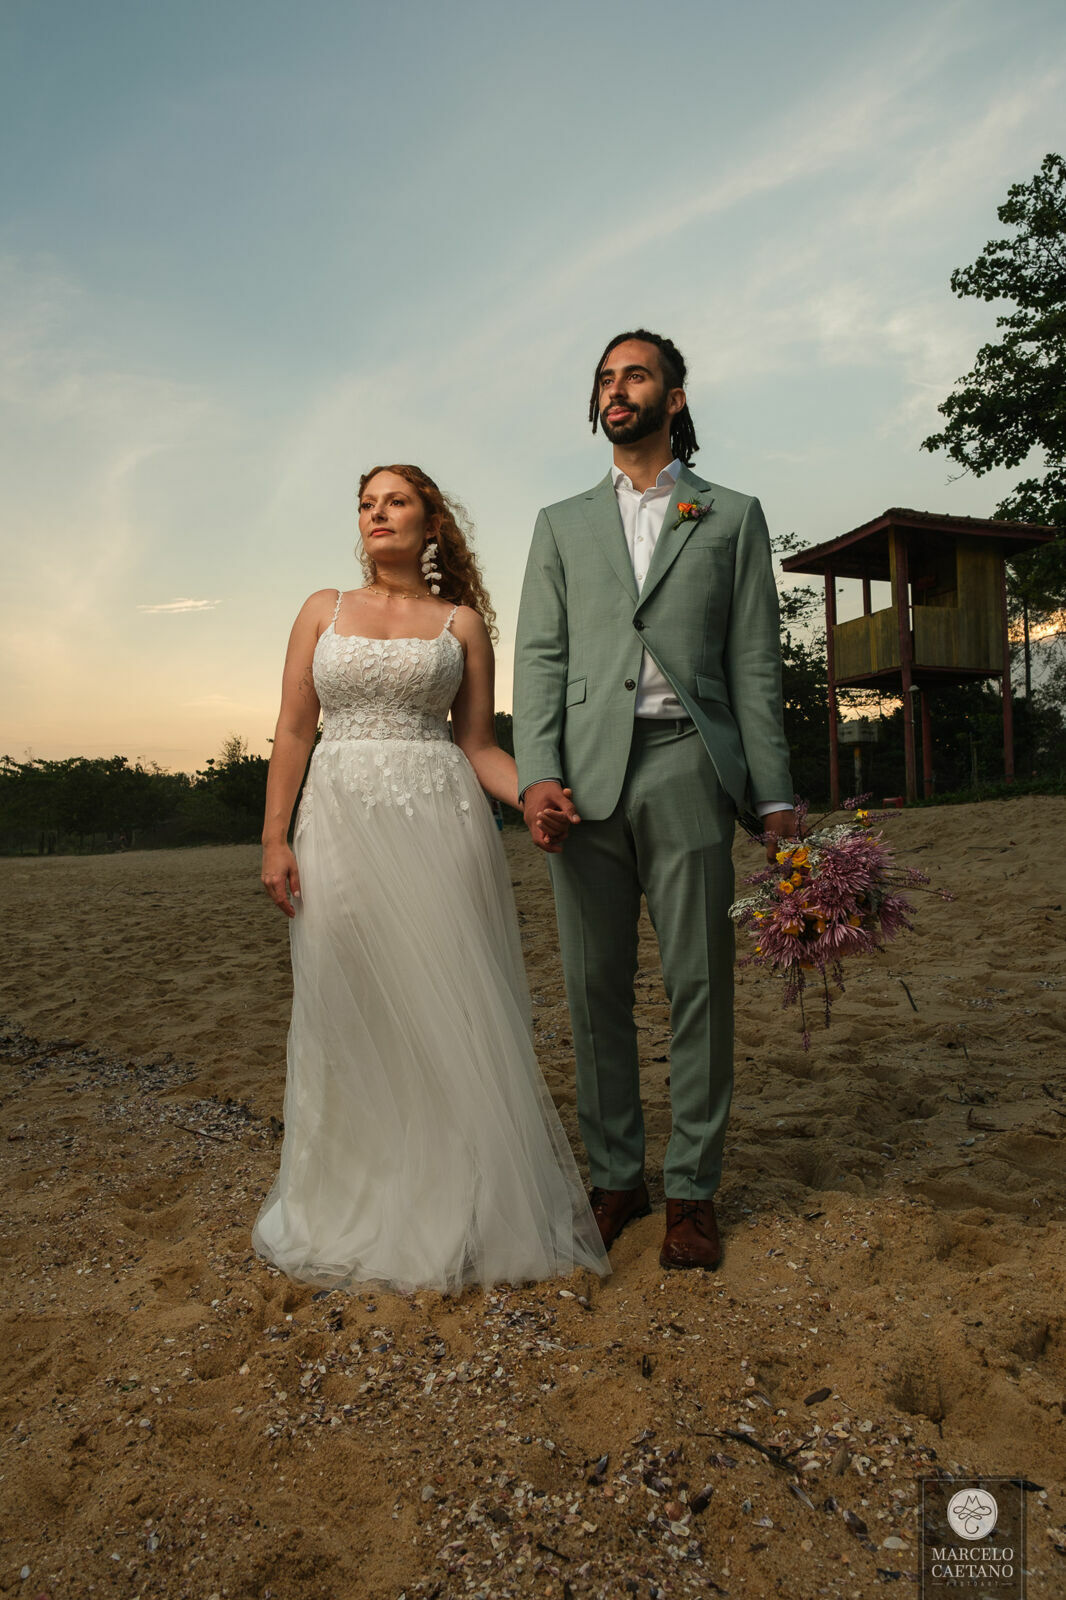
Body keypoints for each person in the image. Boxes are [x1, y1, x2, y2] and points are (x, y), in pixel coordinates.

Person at [253, 464, 609, 1293]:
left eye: (395, 501)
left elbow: (477, 745)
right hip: (336, 823)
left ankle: (461, 1196)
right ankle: (356, 1191)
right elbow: (294, 730)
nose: (378, 514)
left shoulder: (462, 625)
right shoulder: (322, 610)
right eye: (367, 504)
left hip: (439, 824)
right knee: (349, 998)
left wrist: (532, 793)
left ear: (430, 520)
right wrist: (275, 838)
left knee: (446, 997)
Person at [513, 331, 797, 1271]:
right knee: (594, 989)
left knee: (698, 984)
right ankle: (617, 1177)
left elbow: (756, 662)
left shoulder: (732, 515)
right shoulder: (560, 523)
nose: (615, 389)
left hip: (686, 763)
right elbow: (541, 658)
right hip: (581, 784)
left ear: (674, 398)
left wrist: (776, 797)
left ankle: (693, 1191)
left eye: (634, 374)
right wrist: (537, 772)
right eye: (604, 377)